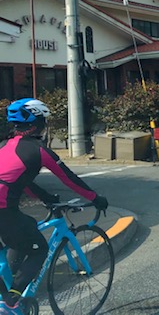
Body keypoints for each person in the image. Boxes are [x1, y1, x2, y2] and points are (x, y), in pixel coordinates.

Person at [0, 98, 108, 315]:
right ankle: (10, 301)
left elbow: (22, 181)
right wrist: (95, 198)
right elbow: (69, 178)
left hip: (6, 210)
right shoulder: (39, 151)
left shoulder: (3, 146)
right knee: (39, 248)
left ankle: (7, 294)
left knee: (23, 231)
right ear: (37, 125)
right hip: (3, 210)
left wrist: (46, 197)